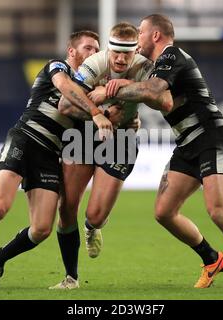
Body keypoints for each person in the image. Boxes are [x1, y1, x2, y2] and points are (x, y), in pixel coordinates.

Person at [89, 14, 223, 290]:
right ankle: (212, 260)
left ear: (156, 35)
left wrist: (109, 92)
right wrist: (126, 91)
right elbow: (161, 100)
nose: (137, 37)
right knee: (164, 212)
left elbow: (153, 90)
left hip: (211, 136)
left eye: (140, 32)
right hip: (187, 143)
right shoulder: (157, 66)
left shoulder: (172, 55)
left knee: (218, 211)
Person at [0, 31, 111, 291]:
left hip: (49, 155)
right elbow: (65, 89)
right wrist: (96, 112)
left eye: (97, 49)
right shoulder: (58, 68)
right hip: (24, 139)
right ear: (72, 52)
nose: (94, 54)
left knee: (42, 229)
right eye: (88, 48)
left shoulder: (93, 89)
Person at [49, 22, 171, 290]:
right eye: (114, 51)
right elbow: (65, 105)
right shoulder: (94, 64)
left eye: (126, 54)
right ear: (108, 48)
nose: (119, 58)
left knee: (94, 215)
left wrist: (124, 86)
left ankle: (93, 227)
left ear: (135, 51)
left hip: (122, 137)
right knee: (66, 208)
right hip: (83, 133)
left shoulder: (145, 68)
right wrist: (101, 112)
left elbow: (166, 102)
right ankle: (71, 277)